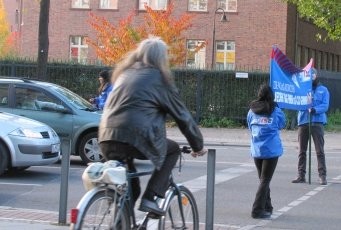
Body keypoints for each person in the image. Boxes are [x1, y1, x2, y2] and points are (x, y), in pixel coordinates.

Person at [98, 36, 207, 216]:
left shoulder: (124, 74)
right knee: (172, 150)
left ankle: (121, 223)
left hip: (105, 137)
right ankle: (151, 197)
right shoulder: (160, 79)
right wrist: (198, 145)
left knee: (131, 188)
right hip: (136, 137)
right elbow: (183, 117)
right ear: (161, 58)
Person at [247, 83, 286, 219]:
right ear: (271, 95)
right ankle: (257, 210)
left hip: (257, 150)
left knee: (263, 180)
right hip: (271, 150)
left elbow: (249, 126)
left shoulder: (252, 110)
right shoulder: (276, 110)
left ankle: (267, 207)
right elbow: (282, 124)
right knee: (265, 180)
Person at [292, 68, 330, 185]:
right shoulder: (302, 90)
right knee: (302, 151)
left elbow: (325, 106)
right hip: (303, 122)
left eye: (312, 76)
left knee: (320, 151)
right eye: (308, 76)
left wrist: (314, 110)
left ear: (316, 76)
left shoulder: (323, 90)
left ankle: (322, 176)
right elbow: (296, 103)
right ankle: (301, 175)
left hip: (317, 122)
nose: (310, 78)